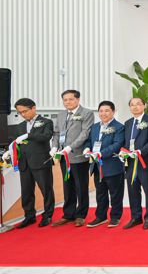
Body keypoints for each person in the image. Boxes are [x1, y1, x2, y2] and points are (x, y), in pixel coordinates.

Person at [5, 98, 55, 228]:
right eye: (20, 112)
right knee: (26, 191)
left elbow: (46, 137)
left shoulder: (46, 122)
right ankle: (29, 215)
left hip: (40, 161)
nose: (23, 114)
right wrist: (9, 152)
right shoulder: (20, 126)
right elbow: (16, 143)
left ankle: (48, 215)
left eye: (25, 111)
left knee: (46, 190)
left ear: (33, 108)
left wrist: (29, 135)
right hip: (24, 163)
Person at [51, 89, 94, 227]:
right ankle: (68, 214)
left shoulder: (86, 113)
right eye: (65, 100)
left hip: (78, 155)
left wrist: (70, 147)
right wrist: (54, 147)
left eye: (71, 99)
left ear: (78, 99)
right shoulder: (61, 114)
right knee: (67, 186)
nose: (67, 102)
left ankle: (81, 215)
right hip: (63, 157)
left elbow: (85, 133)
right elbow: (56, 133)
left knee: (81, 186)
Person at [83, 101, 125, 228]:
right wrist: (87, 149)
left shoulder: (119, 127)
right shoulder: (95, 127)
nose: (103, 113)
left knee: (115, 193)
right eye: (101, 111)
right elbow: (89, 141)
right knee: (100, 193)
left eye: (107, 110)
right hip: (97, 166)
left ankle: (115, 217)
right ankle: (100, 216)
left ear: (113, 111)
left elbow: (117, 144)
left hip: (112, 165)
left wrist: (101, 153)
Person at [121, 97, 148, 230]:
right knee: (132, 190)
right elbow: (125, 142)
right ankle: (136, 217)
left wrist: (140, 151)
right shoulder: (128, 123)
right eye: (132, 105)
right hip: (130, 162)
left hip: (145, 161)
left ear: (144, 106)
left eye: (138, 104)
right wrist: (123, 152)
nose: (135, 107)